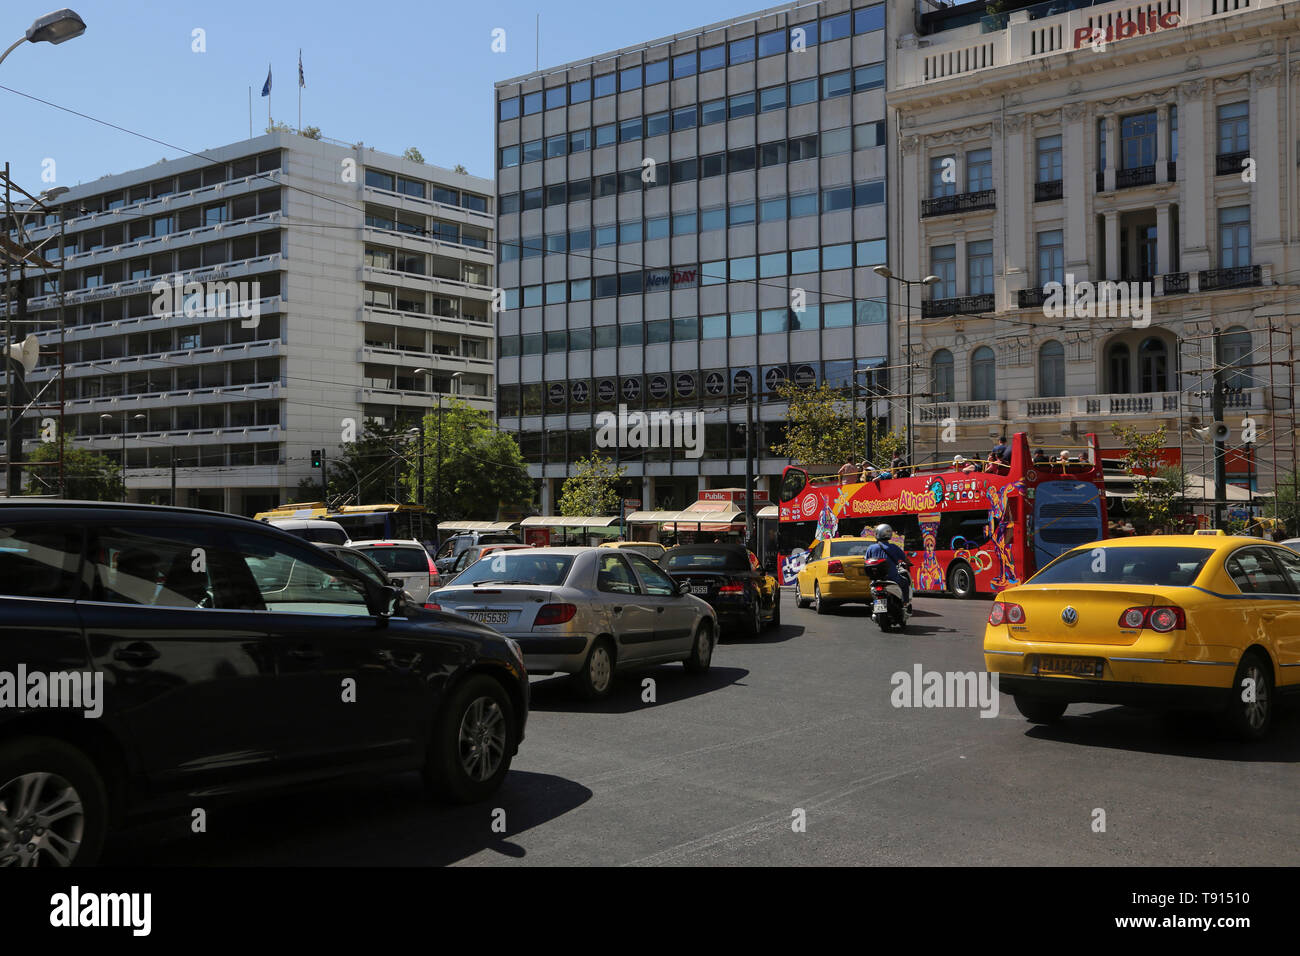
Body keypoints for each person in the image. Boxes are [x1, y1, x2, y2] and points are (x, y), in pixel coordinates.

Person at [864, 523, 912, 611]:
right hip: (892, 578)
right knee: (905, 583)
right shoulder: (894, 547)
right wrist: (910, 563)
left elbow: (866, 560)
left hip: (876, 579)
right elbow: (905, 559)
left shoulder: (871, 548)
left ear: (877, 533)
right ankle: (905, 603)